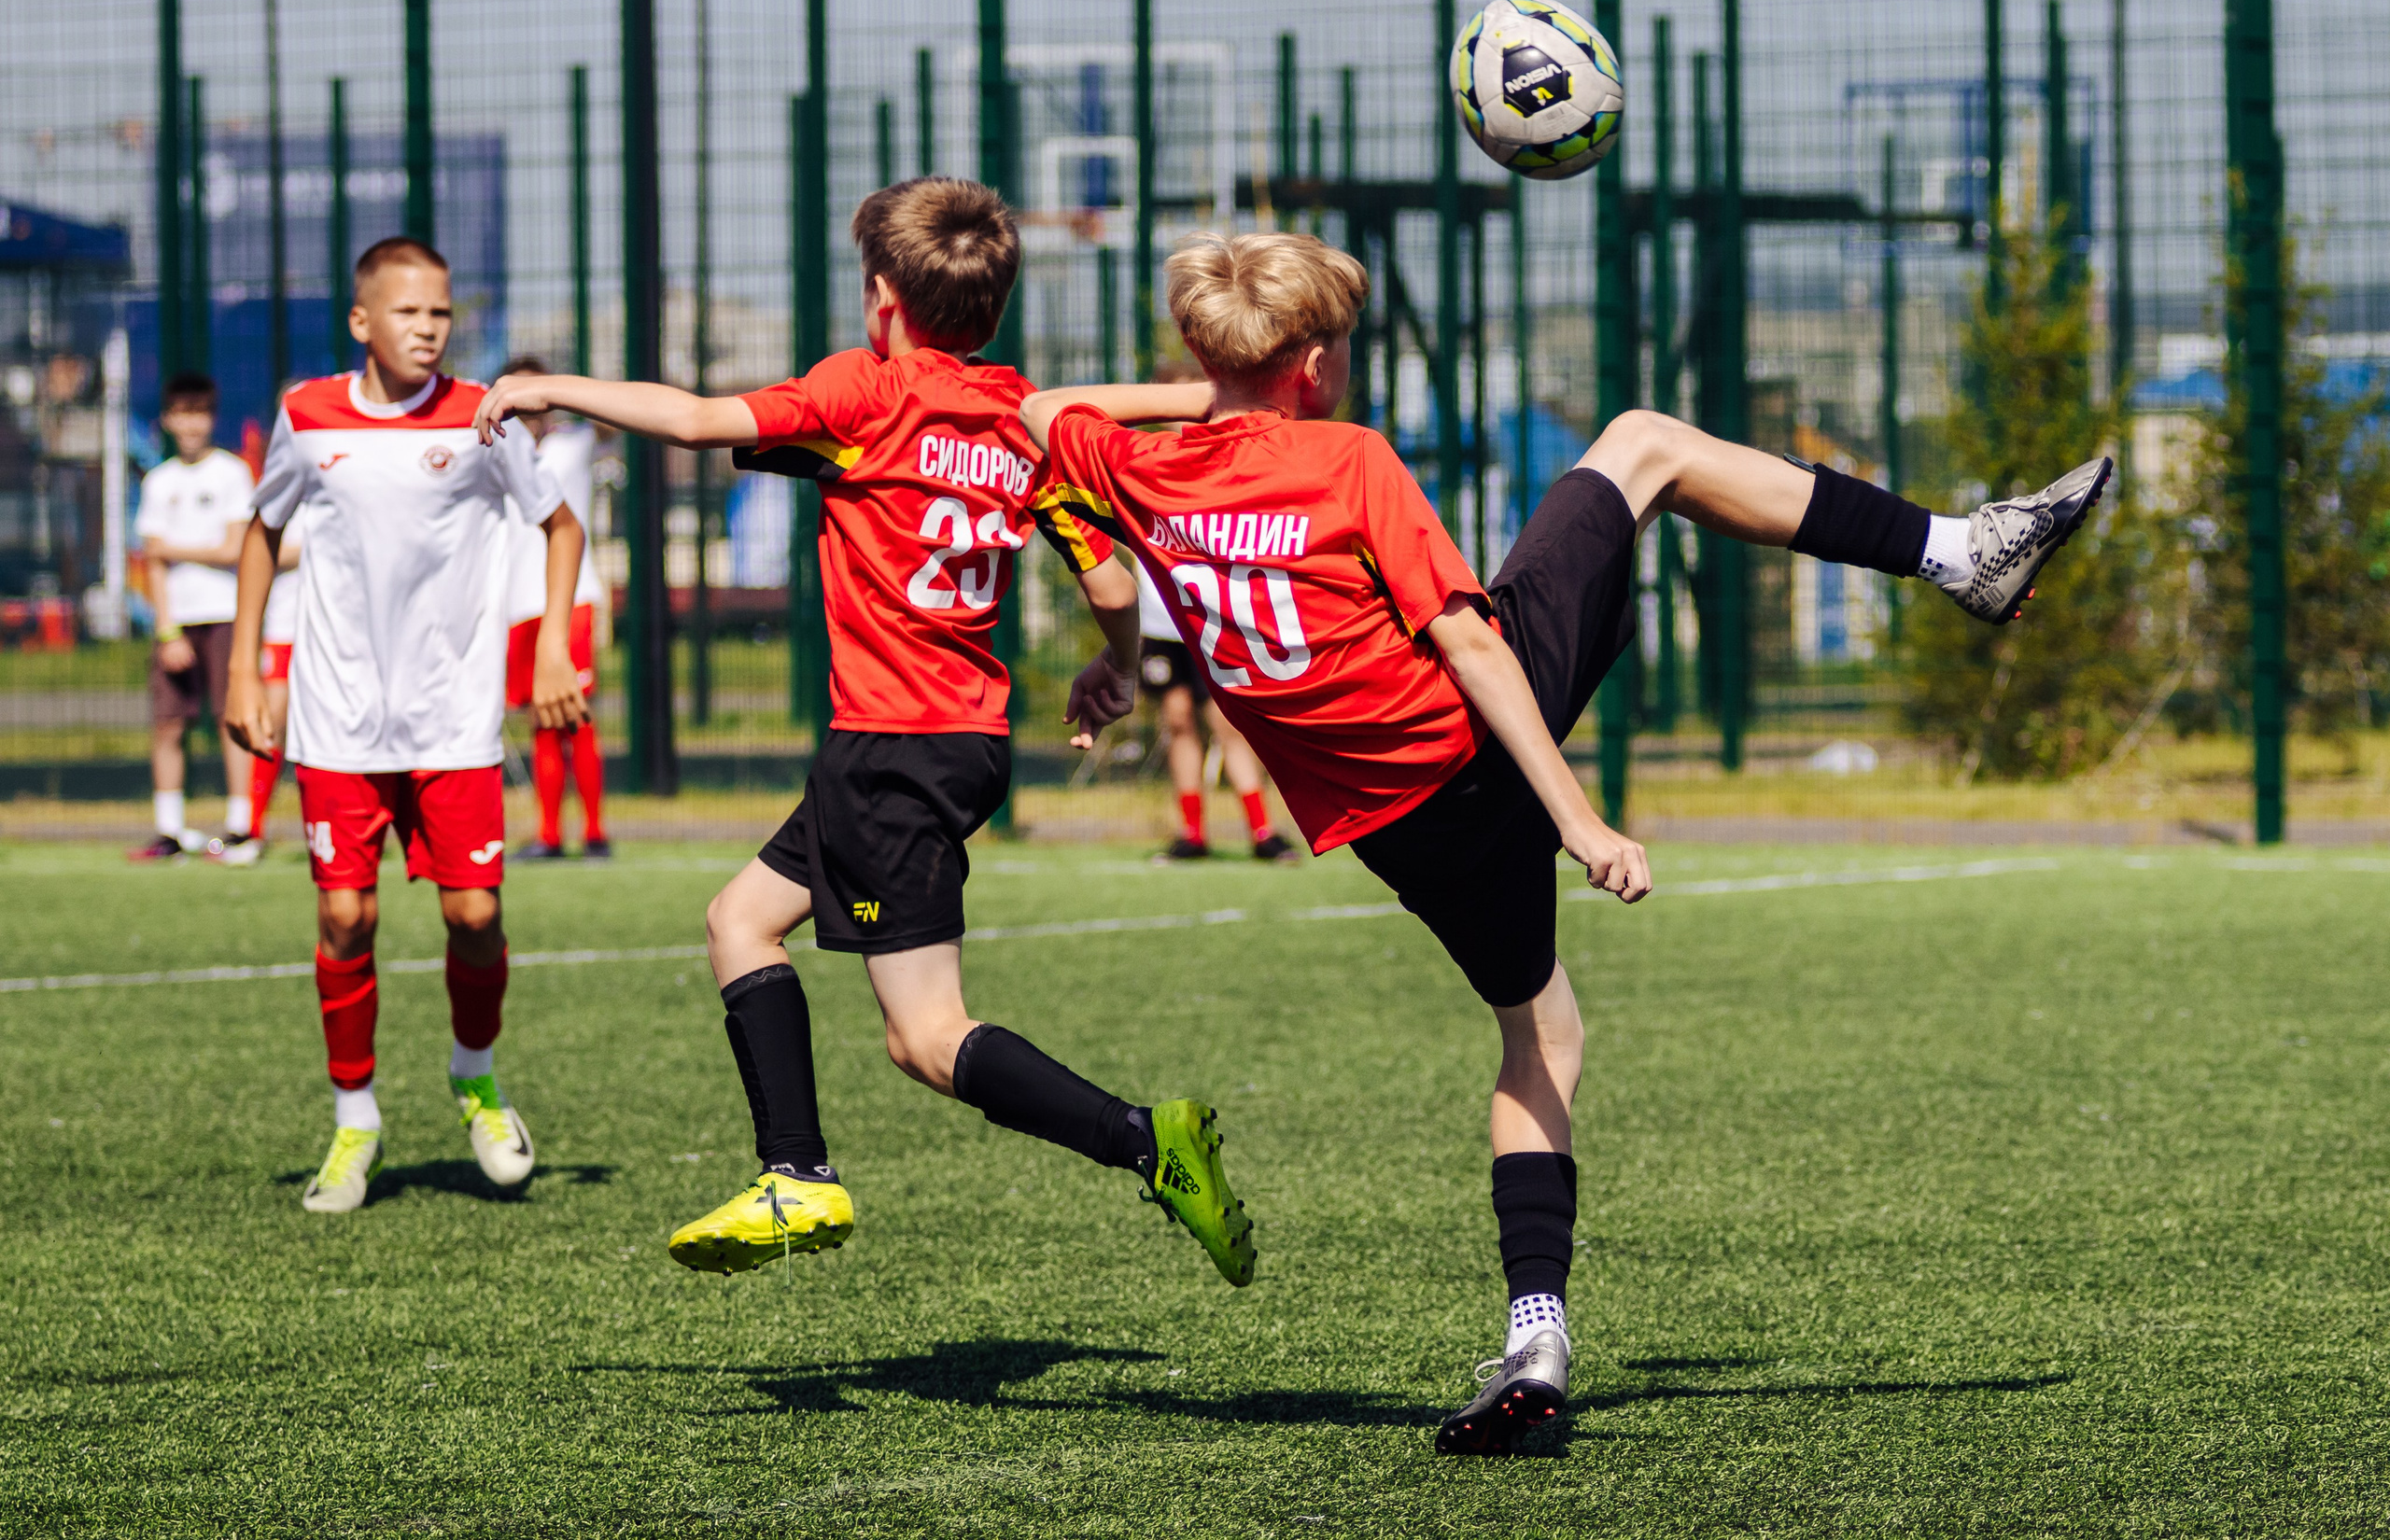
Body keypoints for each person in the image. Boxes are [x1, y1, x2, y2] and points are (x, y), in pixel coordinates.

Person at [1020, 230, 2111, 1454]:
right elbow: (1475, 648)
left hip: (1392, 829)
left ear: (1206, 351)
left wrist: (1222, 384)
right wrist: (1579, 817)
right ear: (1318, 363)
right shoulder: (1347, 459)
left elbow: (1046, 404)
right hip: (1475, 754)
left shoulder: (1136, 470)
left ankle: (1536, 1337)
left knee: (1544, 1031)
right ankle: (1961, 552)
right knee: (1644, 441)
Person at [470, 176, 1255, 1289]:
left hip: (889, 746)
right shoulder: (1021, 418)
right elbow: (1115, 582)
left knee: (927, 1038)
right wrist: (1112, 672)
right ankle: (791, 1168)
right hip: (953, 742)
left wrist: (548, 385)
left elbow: (695, 420)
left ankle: (1145, 1142)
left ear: (882, 298)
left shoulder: (861, 394)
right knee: (740, 919)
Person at [223, 235, 592, 1214]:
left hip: (455, 720)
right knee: (346, 916)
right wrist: (244, 670)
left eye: (441, 314)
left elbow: (561, 527)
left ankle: (475, 1077)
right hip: (336, 718)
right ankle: (356, 1121)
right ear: (362, 322)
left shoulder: (484, 416)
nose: (428, 329)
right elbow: (262, 532)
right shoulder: (307, 414)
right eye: (408, 313)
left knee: (474, 918)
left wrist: (551, 643)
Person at [129, 371, 256, 861]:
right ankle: (170, 831)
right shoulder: (159, 481)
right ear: (167, 420)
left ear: (212, 418)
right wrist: (167, 630)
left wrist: (172, 548)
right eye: (181, 414)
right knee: (168, 724)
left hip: (226, 613)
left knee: (232, 719)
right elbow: (153, 565)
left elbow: (233, 549)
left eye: (199, 413)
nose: (190, 424)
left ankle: (242, 827)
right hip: (178, 621)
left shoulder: (232, 473)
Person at [493, 354, 610, 861]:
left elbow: (611, 421)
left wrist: (564, 393)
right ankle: (548, 833)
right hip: (518, 605)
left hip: (573, 598)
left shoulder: (573, 443)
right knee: (541, 720)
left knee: (576, 718)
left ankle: (595, 831)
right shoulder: (497, 449)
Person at [1132, 553, 1296, 862]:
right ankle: (1192, 836)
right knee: (1177, 722)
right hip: (1158, 627)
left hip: (1206, 618)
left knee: (1227, 725)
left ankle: (1264, 833)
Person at [213, 511, 302, 867]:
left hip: (339, 633)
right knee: (271, 723)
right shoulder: (283, 495)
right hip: (283, 630)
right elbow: (258, 549)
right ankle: (251, 830)